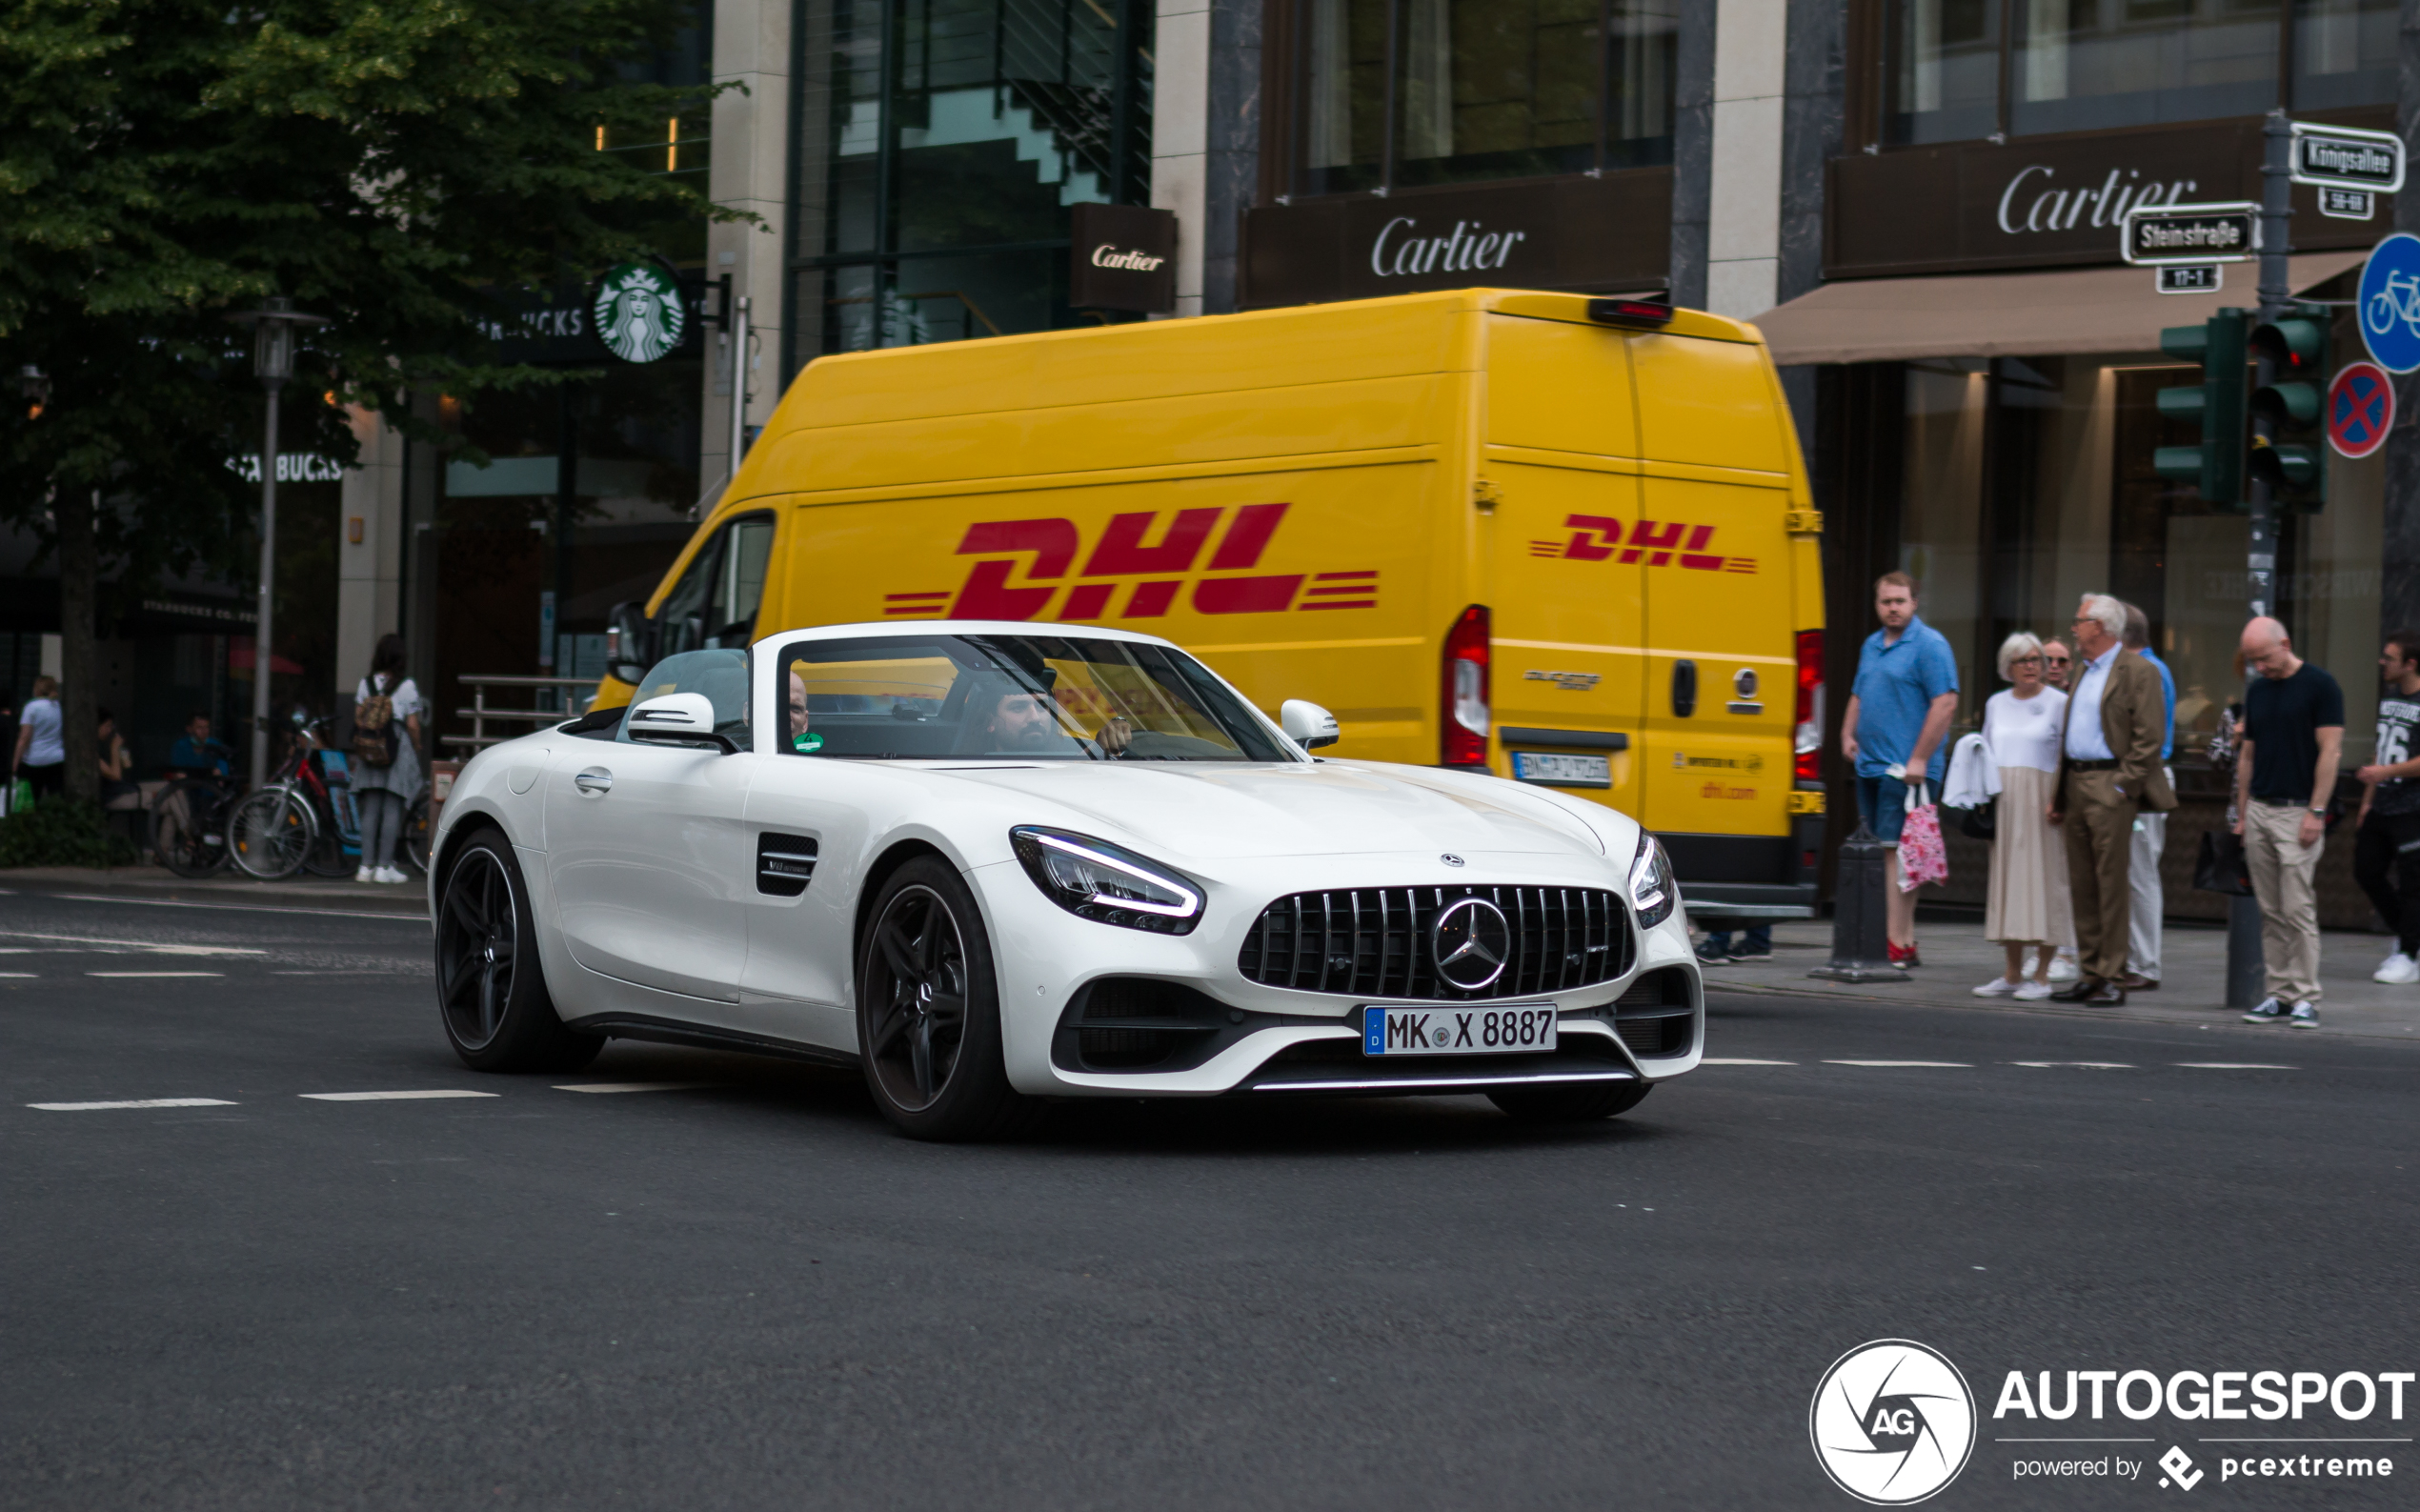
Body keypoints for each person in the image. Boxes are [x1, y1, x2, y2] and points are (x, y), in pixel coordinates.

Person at [2048, 594, 2175, 1007]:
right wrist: (2060, 793)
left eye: (2079, 620)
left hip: (2109, 784)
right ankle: (2090, 972)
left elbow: (2149, 737)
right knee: (2082, 884)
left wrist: (2123, 787)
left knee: (2112, 885)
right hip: (2076, 783)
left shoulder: (2138, 670)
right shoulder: (2085, 671)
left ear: (2099, 627)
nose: (2074, 628)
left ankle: (2113, 975)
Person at [1839, 572, 1959, 967]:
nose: (1893, 608)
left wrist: (1920, 758)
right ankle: (1903, 941)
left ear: (1914, 603)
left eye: (1900, 601)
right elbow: (1859, 692)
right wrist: (1846, 732)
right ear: (1877, 605)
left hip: (1906, 772)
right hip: (1871, 765)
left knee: (1899, 855)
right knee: (1884, 853)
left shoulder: (1929, 645)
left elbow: (1945, 703)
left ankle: (1893, 940)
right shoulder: (1872, 644)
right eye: (1886, 601)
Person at [2233, 616, 2342, 1027]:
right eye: (2252, 661)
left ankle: (2307, 996)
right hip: (2261, 807)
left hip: (2298, 809)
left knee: (2297, 907)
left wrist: (2317, 811)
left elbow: (2330, 752)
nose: (2260, 667)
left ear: (2285, 642)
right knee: (2270, 908)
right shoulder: (2258, 690)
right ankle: (2278, 994)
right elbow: (2248, 755)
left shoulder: (2320, 685)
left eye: (2264, 658)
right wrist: (2243, 815)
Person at [1973, 634, 2073, 1000]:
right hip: (2005, 800)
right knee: (2009, 884)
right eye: (2023, 660)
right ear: (2008, 668)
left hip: (2044, 799)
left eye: (2036, 659)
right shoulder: (1996, 703)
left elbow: (2069, 755)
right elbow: (1985, 752)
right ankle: (2012, 973)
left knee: (2048, 881)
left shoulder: (2059, 703)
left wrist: (2060, 798)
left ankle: (2043, 975)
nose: (2032, 666)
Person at [2354, 633, 2420, 985]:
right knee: (2366, 870)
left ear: (2410, 664)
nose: (2383, 663)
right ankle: (2411, 937)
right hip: (2382, 804)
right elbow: (2380, 749)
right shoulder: (2389, 699)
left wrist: (2386, 773)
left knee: (2413, 883)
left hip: (2413, 807)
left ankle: (2409, 954)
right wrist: (2367, 799)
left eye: (2389, 658)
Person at [2118, 603, 2175, 993]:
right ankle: (2134, 959)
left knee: (2139, 875)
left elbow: (2147, 737)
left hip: (2143, 778)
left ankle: (2145, 963)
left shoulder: (2148, 671)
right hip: (2140, 776)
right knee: (2133, 874)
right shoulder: (2147, 669)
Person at [352, 635, 425, 884]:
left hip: (370, 748)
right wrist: (416, 745)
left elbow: (358, 717)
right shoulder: (407, 686)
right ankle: (384, 867)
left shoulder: (365, 684)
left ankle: (365, 866)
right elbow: (413, 724)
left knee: (370, 809)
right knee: (392, 808)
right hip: (395, 746)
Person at [10, 675, 65, 800]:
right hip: (56, 759)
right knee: (55, 799)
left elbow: (24, 738)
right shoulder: (58, 706)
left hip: (33, 760)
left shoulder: (31, 707)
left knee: (30, 800)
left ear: (37, 690)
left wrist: (15, 763)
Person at [166, 713, 231, 776]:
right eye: (199, 728)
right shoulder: (180, 746)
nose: (204, 731)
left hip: (210, 785)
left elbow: (223, 770)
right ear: (189, 729)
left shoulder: (216, 745)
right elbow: (176, 770)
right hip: (187, 785)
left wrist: (220, 772)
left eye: (206, 727)